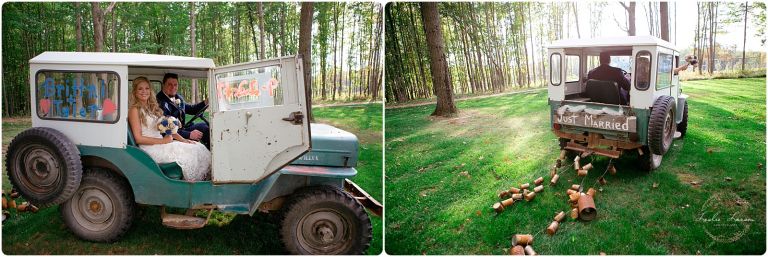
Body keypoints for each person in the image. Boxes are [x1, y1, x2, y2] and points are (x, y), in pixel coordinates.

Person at [129, 77, 211, 182]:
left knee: (197, 147)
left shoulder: (152, 107)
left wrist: (184, 140)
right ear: (135, 91)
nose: (144, 91)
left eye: (147, 88)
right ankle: (190, 182)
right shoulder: (134, 110)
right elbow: (138, 139)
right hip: (150, 148)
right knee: (191, 153)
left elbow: (168, 127)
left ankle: (203, 180)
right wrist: (163, 141)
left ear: (150, 90)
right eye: (140, 89)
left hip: (162, 143)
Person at [156, 73, 210, 148]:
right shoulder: (160, 102)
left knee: (206, 125)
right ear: (163, 85)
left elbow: (191, 109)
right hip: (172, 134)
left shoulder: (178, 97)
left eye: (175, 85)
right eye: (169, 84)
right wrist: (189, 134)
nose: (173, 87)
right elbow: (166, 129)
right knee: (205, 129)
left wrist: (206, 102)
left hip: (182, 129)